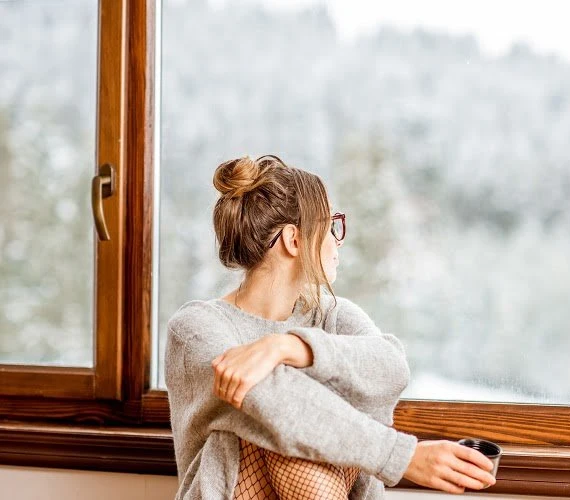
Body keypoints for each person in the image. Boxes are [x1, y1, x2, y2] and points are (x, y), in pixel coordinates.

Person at [165, 155, 496, 500]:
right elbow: (272, 400)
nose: (338, 241)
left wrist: (290, 347)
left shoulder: (331, 314)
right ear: (294, 239)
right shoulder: (195, 330)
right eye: (332, 225)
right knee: (282, 433)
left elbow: (391, 366)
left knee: (317, 422)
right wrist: (402, 457)